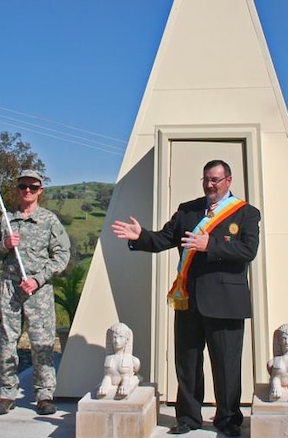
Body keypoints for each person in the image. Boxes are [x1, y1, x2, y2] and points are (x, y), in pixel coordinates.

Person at [111, 160, 260, 437]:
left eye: (215, 179)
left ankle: (228, 419)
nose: (210, 185)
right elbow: (164, 239)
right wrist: (141, 236)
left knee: (227, 366)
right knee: (188, 363)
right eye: (206, 179)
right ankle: (189, 418)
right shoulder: (187, 211)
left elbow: (247, 251)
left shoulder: (246, 213)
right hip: (188, 300)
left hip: (226, 302)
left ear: (228, 180)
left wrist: (210, 245)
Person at [0, 169, 71, 416]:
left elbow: (62, 255)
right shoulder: (6, 220)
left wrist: (37, 280)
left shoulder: (49, 220)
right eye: (23, 186)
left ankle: (44, 395)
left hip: (38, 291)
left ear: (40, 192)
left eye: (32, 187)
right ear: (17, 189)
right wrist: (4, 244)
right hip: (10, 289)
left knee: (42, 343)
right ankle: (6, 394)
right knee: (6, 342)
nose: (27, 191)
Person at [97, 322, 141, 399]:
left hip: (127, 377)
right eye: (114, 337)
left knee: (136, 362)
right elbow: (108, 376)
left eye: (121, 337)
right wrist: (104, 385)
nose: (117, 341)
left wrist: (124, 385)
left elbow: (126, 377)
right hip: (113, 378)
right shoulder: (110, 358)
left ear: (127, 340)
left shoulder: (131, 360)